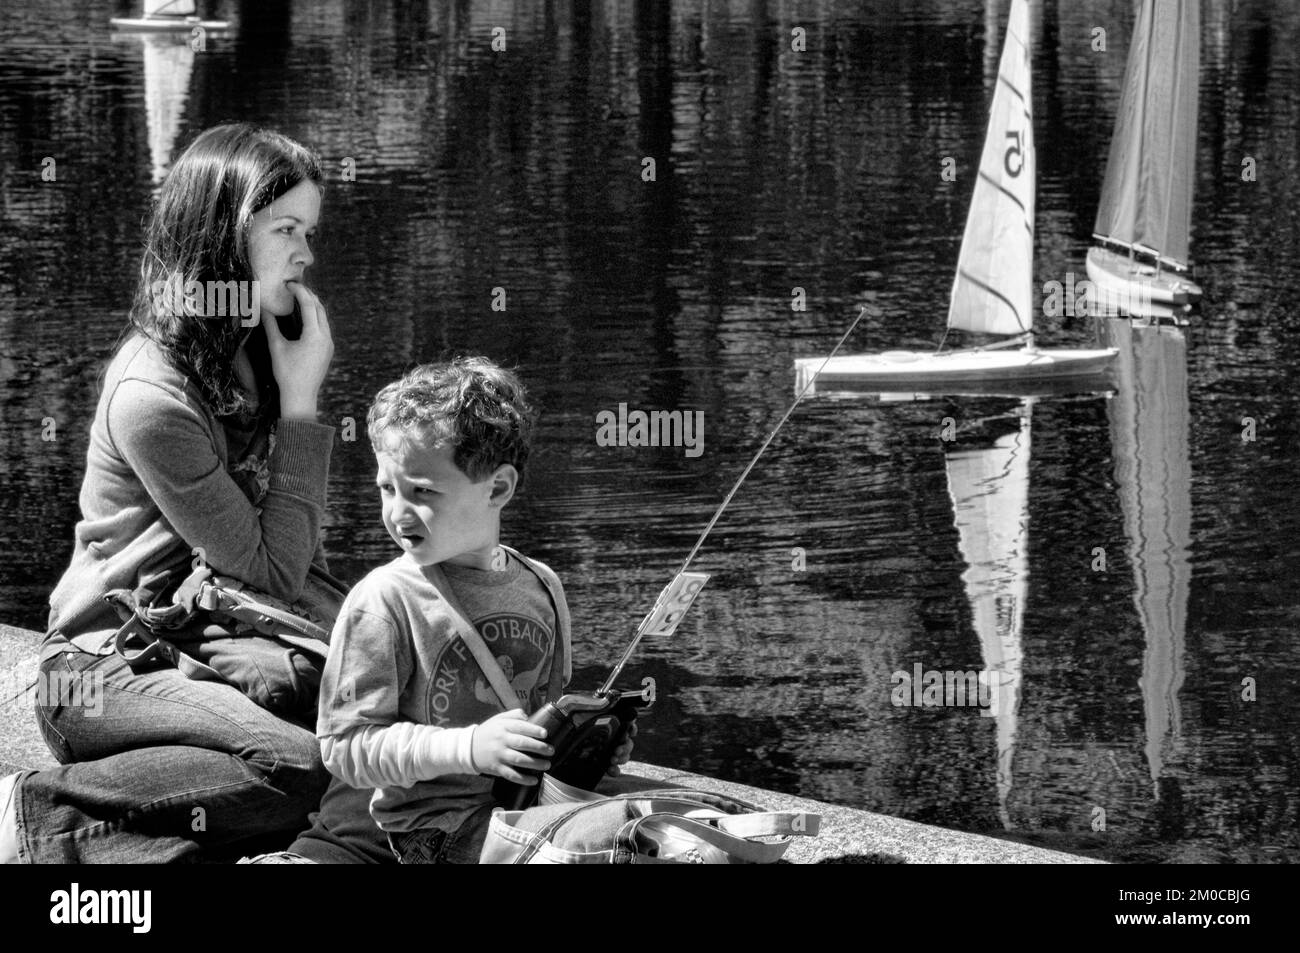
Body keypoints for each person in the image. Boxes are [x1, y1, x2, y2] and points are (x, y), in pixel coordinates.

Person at [0, 123, 336, 863]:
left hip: (219, 645)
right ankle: (39, 814)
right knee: (305, 766)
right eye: (286, 230)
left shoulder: (260, 349)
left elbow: (295, 556)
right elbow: (273, 568)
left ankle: (154, 839)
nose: (306, 255)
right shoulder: (152, 394)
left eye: (308, 231)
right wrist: (305, 403)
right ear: (223, 235)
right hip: (106, 667)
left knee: (374, 748)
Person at [312, 359, 633, 863]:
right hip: (433, 833)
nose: (398, 512)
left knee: (678, 822)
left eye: (423, 492)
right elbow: (344, 747)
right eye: (387, 488)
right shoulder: (382, 602)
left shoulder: (541, 585)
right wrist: (470, 747)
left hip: (525, 810)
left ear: (498, 489)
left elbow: (541, 730)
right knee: (618, 839)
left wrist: (593, 747)